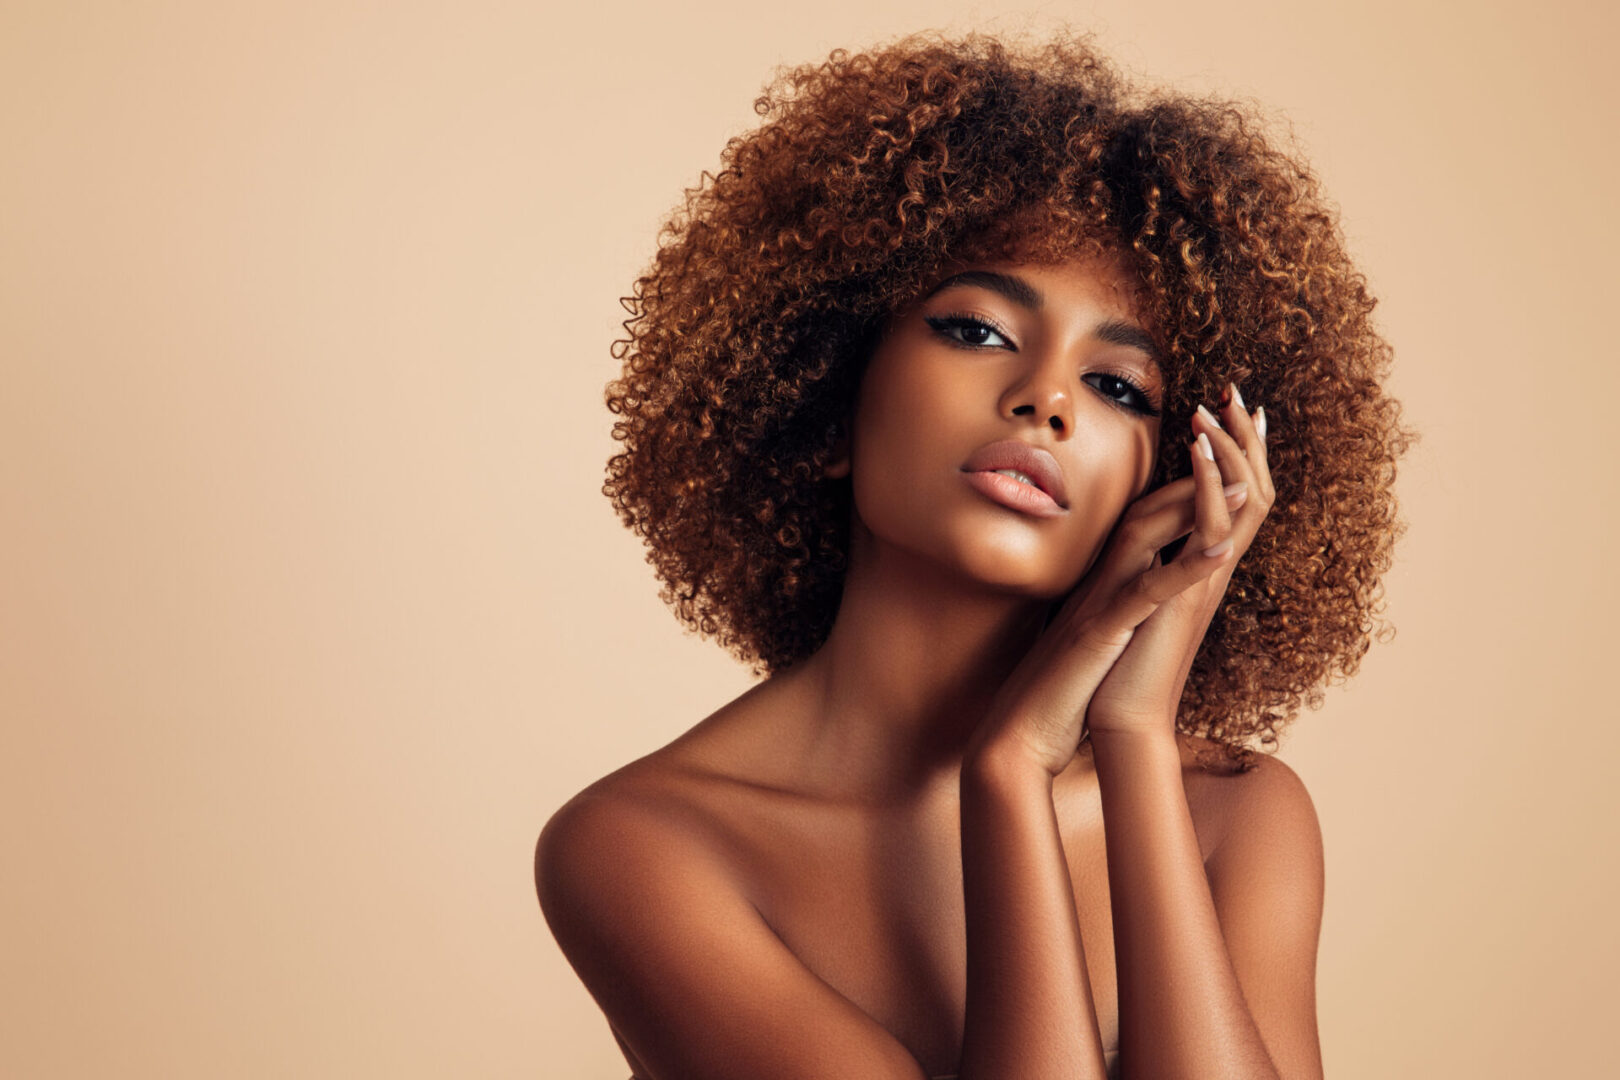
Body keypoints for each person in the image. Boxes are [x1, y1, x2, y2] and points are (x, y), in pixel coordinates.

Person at [536, 30, 1413, 1080]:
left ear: (1173, 478)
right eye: (978, 331)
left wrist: (1127, 736)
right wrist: (1010, 773)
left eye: (1119, 389)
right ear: (822, 388)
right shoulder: (646, 849)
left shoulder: (1236, 817)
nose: (1045, 398)